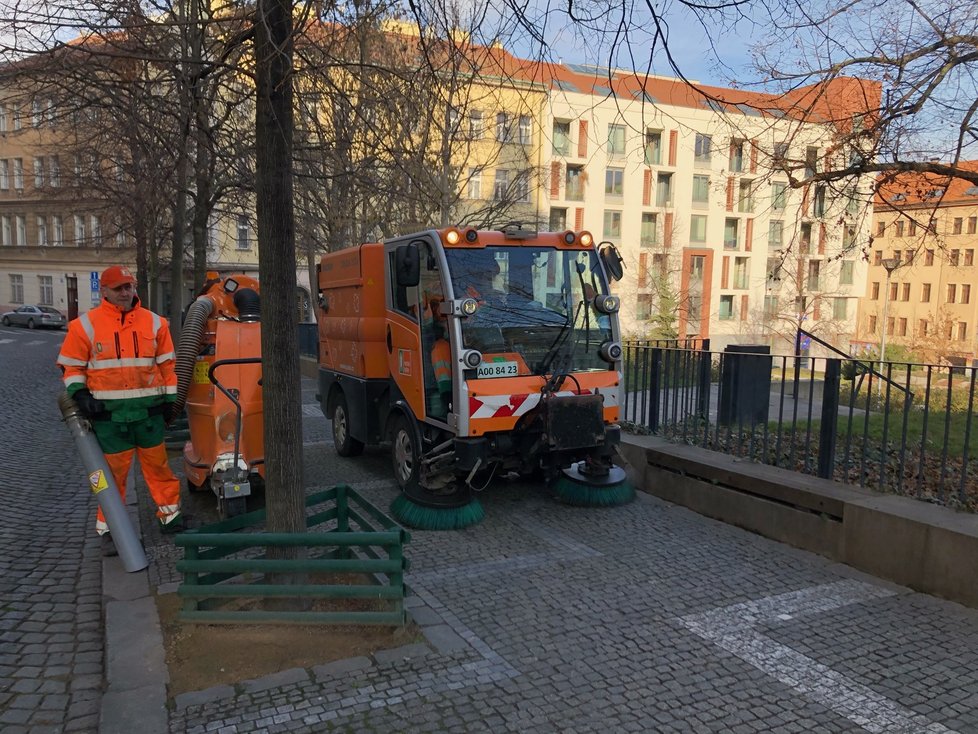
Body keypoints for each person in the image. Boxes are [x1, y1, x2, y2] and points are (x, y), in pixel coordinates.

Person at [57, 265, 182, 554]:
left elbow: (168, 367)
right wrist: (82, 394)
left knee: (160, 471)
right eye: (119, 288)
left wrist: (170, 402)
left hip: (148, 415)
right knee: (111, 478)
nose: (126, 293)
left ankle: (171, 518)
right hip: (110, 419)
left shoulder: (155, 323)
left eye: (129, 286)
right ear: (105, 291)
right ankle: (110, 530)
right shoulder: (84, 325)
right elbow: (71, 366)